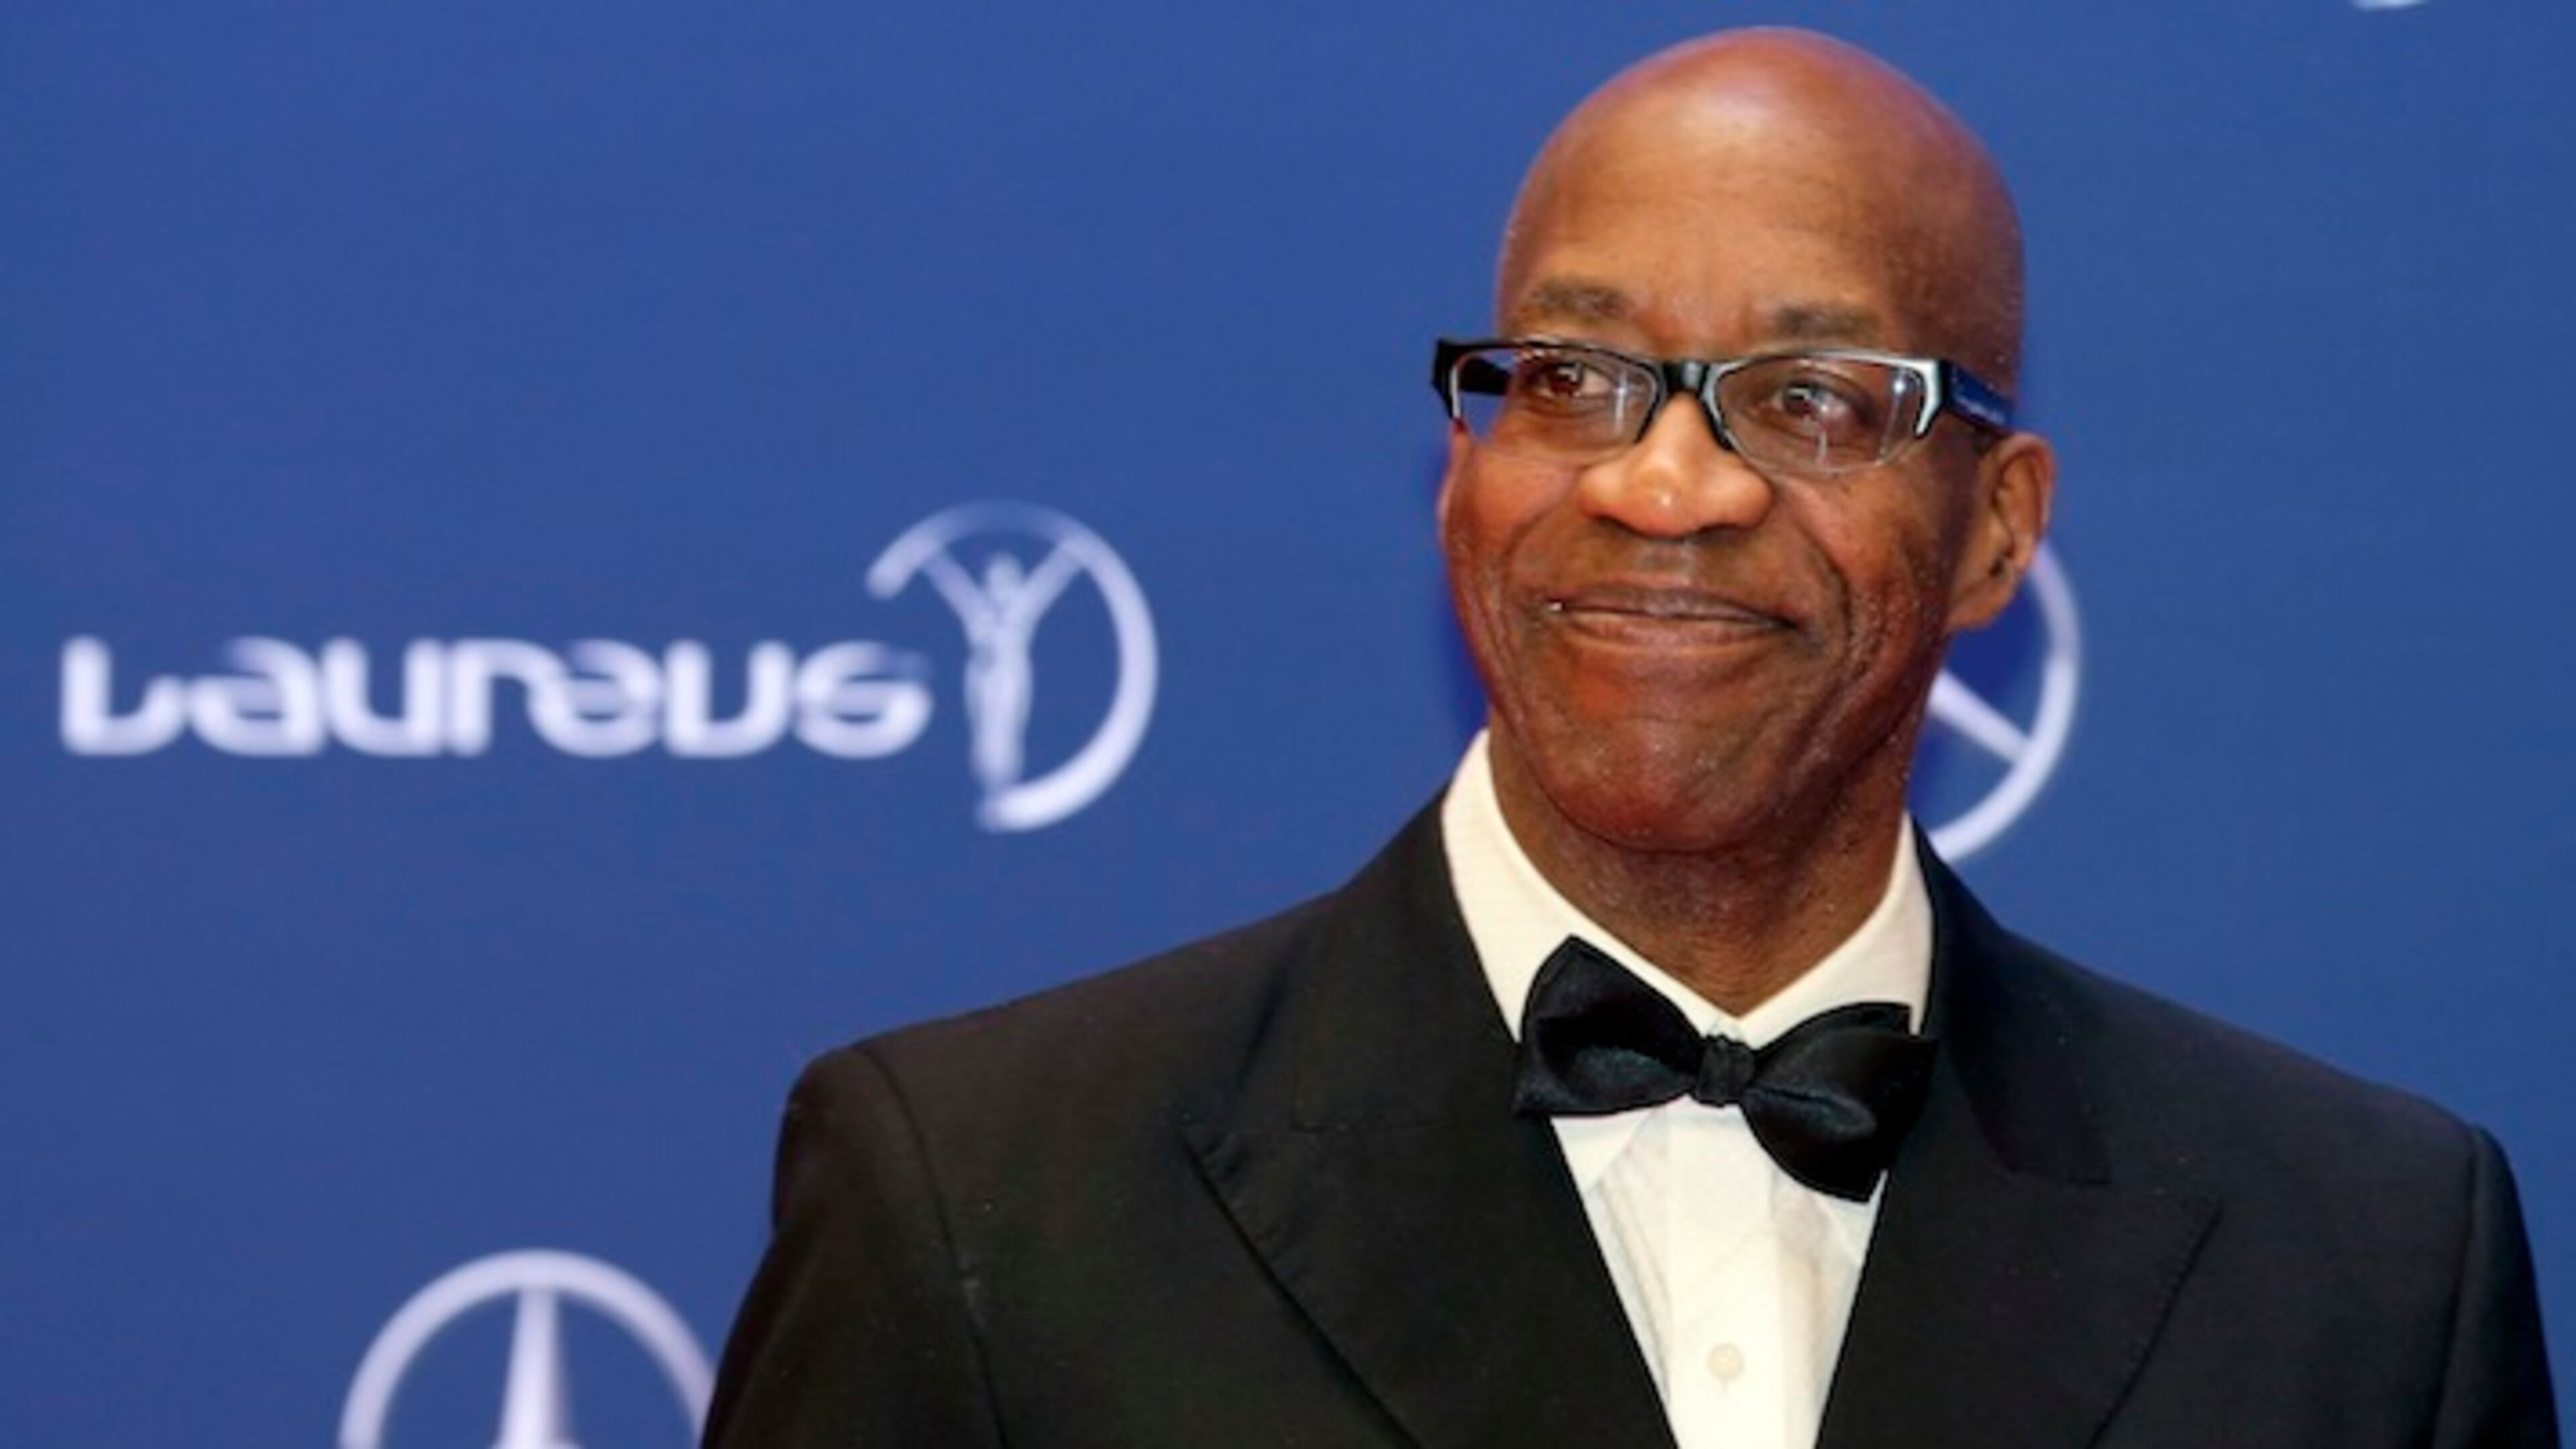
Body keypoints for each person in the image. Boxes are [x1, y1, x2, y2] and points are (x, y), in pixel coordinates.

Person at [704, 28, 2558, 1448]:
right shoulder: (979, 1203)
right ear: (1461, 473)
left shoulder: (2370, 1260)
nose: (1667, 486)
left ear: (1999, 527)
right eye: (1575, 381)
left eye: (1816, 400)